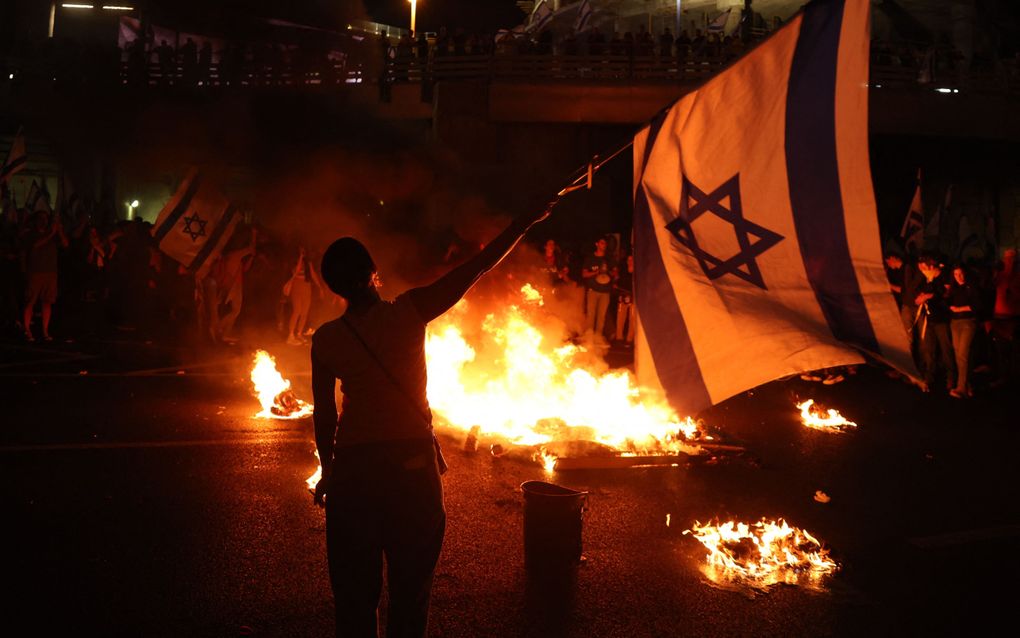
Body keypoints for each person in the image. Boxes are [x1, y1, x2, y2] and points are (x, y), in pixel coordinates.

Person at [311, 202, 553, 637]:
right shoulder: (408, 311)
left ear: (332, 286)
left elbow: (325, 413)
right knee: (410, 591)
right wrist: (524, 222)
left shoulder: (327, 339)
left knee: (354, 597)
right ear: (372, 272)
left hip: (354, 473)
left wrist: (328, 472)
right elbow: (476, 268)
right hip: (411, 468)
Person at [21, 210, 68, 341]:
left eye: (46, 218)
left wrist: (59, 231)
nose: (44, 221)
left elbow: (65, 244)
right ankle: (27, 329)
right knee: (30, 301)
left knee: (47, 302)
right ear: (36, 221)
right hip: (35, 272)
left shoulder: (53, 235)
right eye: (41, 218)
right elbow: (35, 246)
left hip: (50, 272)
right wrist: (52, 233)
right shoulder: (30, 234)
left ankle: (45, 331)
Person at [915, 256, 955, 392]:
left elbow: (944, 295)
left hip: (942, 319)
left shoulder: (944, 277)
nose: (923, 271)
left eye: (924, 268)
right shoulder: (928, 279)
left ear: (931, 267)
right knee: (929, 349)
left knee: (946, 348)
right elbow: (924, 291)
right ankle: (929, 376)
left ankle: (951, 376)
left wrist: (928, 296)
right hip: (930, 319)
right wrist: (922, 295)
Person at [947, 264, 981, 398]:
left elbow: (978, 305)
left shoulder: (971, 287)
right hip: (955, 323)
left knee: (962, 354)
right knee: (958, 354)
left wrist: (960, 309)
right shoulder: (954, 288)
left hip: (967, 322)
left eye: (960, 274)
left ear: (965, 273)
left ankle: (961, 387)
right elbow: (947, 302)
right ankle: (966, 384)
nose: (958, 277)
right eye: (955, 274)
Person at [284, 245, 322, 345]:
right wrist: (300, 258)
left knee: (304, 313)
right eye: (300, 249)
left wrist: (320, 287)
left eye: (304, 250)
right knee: (297, 311)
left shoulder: (308, 263)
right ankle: (290, 336)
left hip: (307, 289)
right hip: (297, 288)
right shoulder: (294, 261)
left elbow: (313, 274)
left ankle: (299, 333)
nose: (303, 251)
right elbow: (296, 271)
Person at [581, 236, 613, 342]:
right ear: (597, 244)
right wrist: (596, 272)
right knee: (591, 315)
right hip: (593, 291)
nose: (604, 245)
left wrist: (610, 273)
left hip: (605, 292)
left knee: (601, 316)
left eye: (605, 243)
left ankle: (598, 338)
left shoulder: (609, 258)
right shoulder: (590, 258)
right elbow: (584, 274)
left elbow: (616, 273)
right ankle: (589, 337)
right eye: (602, 243)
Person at [614, 253, 635, 346]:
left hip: (633, 297)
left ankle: (629, 339)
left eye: (631, 260)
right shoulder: (622, 270)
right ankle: (619, 337)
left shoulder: (638, 271)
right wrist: (615, 283)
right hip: (622, 296)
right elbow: (617, 280)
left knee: (632, 318)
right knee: (620, 317)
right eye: (628, 260)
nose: (630, 262)